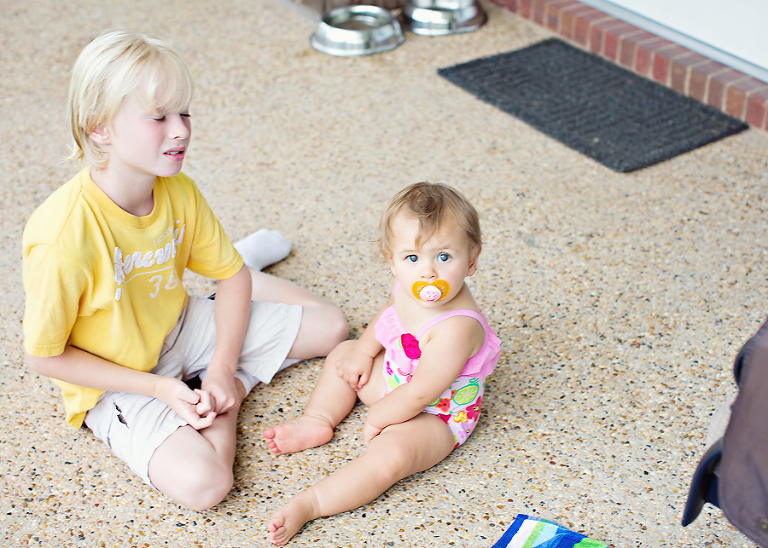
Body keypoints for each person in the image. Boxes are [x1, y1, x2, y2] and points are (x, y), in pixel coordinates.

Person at [21, 28, 348, 511]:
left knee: (334, 327)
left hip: (177, 323)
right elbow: (44, 357)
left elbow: (232, 278)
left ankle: (236, 289)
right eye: (159, 117)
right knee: (207, 485)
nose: (181, 130)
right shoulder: (62, 237)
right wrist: (169, 387)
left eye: (184, 113)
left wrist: (220, 368)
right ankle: (234, 387)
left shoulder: (178, 189)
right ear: (99, 128)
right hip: (116, 379)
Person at [263, 182, 501, 545]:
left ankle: (312, 503)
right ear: (391, 261)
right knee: (344, 353)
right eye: (412, 258)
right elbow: (389, 315)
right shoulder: (406, 287)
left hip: (436, 415)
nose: (428, 273)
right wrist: (363, 351)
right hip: (395, 380)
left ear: (472, 259)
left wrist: (378, 418)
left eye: (444, 257)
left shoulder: (457, 328)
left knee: (391, 455)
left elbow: (421, 392)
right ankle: (318, 419)